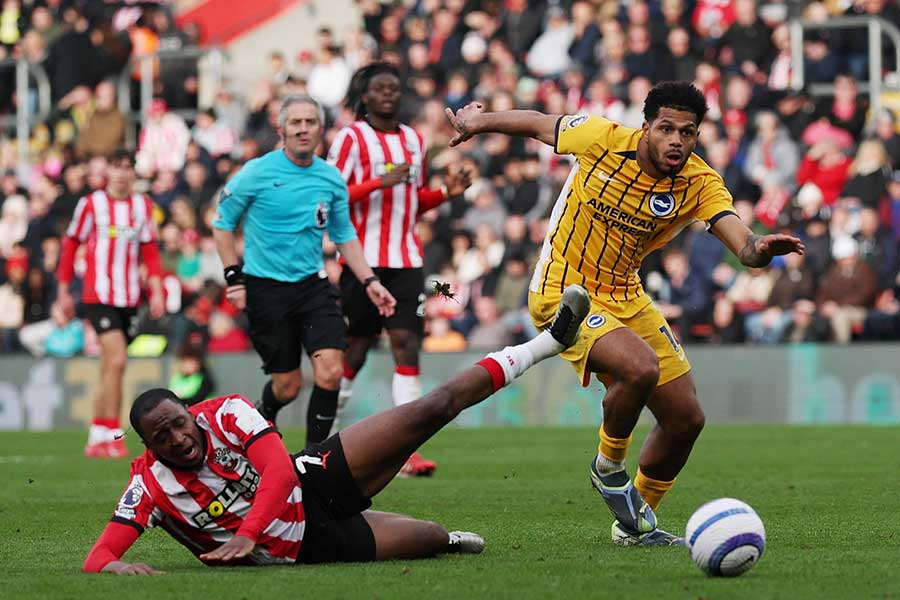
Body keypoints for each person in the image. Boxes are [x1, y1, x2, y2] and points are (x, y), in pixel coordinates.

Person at [445, 81, 805, 546]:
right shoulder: (600, 138)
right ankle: (608, 466)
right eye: (667, 128)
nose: (677, 140)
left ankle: (634, 524)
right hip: (563, 287)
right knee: (639, 368)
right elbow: (538, 124)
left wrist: (760, 250)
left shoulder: (699, 182)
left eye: (688, 132)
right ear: (646, 127)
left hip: (627, 295)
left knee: (685, 420)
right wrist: (477, 122)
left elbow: (743, 243)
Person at [81, 285, 591, 573]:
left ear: (190, 412)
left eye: (177, 424)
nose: (178, 439)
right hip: (310, 546)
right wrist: (116, 567)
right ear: (148, 448)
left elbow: (279, 472)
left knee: (427, 410)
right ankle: (445, 539)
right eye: (161, 438)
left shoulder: (227, 412)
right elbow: (99, 555)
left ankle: (547, 343)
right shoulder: (147, 486)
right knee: (432, 538)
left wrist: (246, 536)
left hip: (310, 481)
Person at [212, 94, 396, 448]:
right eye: (295, 122)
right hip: (266, 289)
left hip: (313, 287)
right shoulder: (255, 173)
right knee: (288, 386)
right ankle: (263, 411)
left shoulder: (330, 179)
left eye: (310, 122)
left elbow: (343, 235)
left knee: (330, 371)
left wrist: (369, 280)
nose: (303, 129)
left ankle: (314, 459)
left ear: (321, 130)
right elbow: (222, 225)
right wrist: (234, 277)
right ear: (281, 129)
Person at [326, 62, 473, 476]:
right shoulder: (351, 138)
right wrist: (379, 182)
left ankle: (405, 449)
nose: (389, 93)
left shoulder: (412, 139)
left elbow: (412, 201)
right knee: (356, 347)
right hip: (361, 259)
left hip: (407, 259)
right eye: (380, 88)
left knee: (406, 345)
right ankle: (326, 434)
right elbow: (331, 194)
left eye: (394, 87)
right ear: (365, 96)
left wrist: (446, 192)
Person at [53, 149, 165, 459]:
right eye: (116, 167)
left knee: (109, 367)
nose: (121, 173)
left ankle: (97, 434)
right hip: (98, 296)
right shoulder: (92, 205)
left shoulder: (143, 206)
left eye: (127, 167)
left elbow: (151, 252)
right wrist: (63, 291)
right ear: (108, 172)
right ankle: (113, 433)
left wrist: (156, 289)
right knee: (117, 361)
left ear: (133, 173)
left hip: (128, 298)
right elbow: (70, 244)